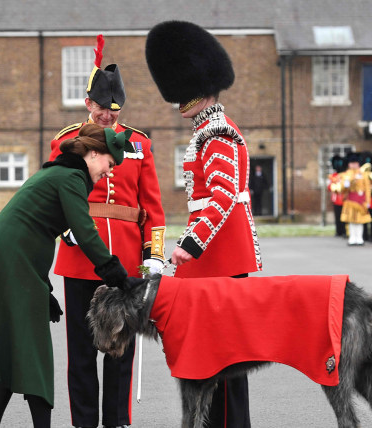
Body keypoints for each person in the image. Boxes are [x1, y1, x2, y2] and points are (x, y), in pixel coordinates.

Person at [0, 124, 131, 428]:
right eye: (110, 164)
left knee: (11, 350)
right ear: (94, 153)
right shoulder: (72, 177)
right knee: (35, 355)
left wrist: (44, 291)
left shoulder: (59, 173)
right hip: (8, 262)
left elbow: (30, 230)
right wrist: (116, 275)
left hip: (0, 259)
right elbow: (84, 231)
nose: (110, 173)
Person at [146, 20, 262, 428]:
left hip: (220, 256)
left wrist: (190, 245)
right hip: (211, 256)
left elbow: (223, 197)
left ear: (203, 89)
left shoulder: (217, 134)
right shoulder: (205, 132)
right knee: (212, 353)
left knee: (226, 354)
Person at [48, 34, 166, 428]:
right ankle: (84, 423)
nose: (108, 116)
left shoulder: (140, 144)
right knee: (81, 353)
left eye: (114, 110)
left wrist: (154, 252)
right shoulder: (67, 141)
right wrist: (66, 228)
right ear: (88, 104)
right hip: (82, 258)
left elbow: (152, 206)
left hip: (127, 259)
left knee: (121, 352)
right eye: (101, 108)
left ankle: (116, 422)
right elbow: (54, 193)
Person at [340, 153, 372, 246]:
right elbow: (343, 189)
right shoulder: (346, 174)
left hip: (361, 200)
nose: (354, 165)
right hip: (350, 199)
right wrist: (349, 181)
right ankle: (352, 237)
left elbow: (367, 189)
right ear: (349, 164)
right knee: (351, 220)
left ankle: (359, 238)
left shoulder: (364, 174)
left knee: (360, 220)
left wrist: (368, 201)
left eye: (355, 163)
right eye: (352, 163)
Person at [327, 155, 347, 238]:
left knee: (344, 216)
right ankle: (339, 231)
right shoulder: (333, 176)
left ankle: (345, 231)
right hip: (336, 199)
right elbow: (329, 187)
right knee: (337, 216)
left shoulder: (345, 175)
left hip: (344, 198)